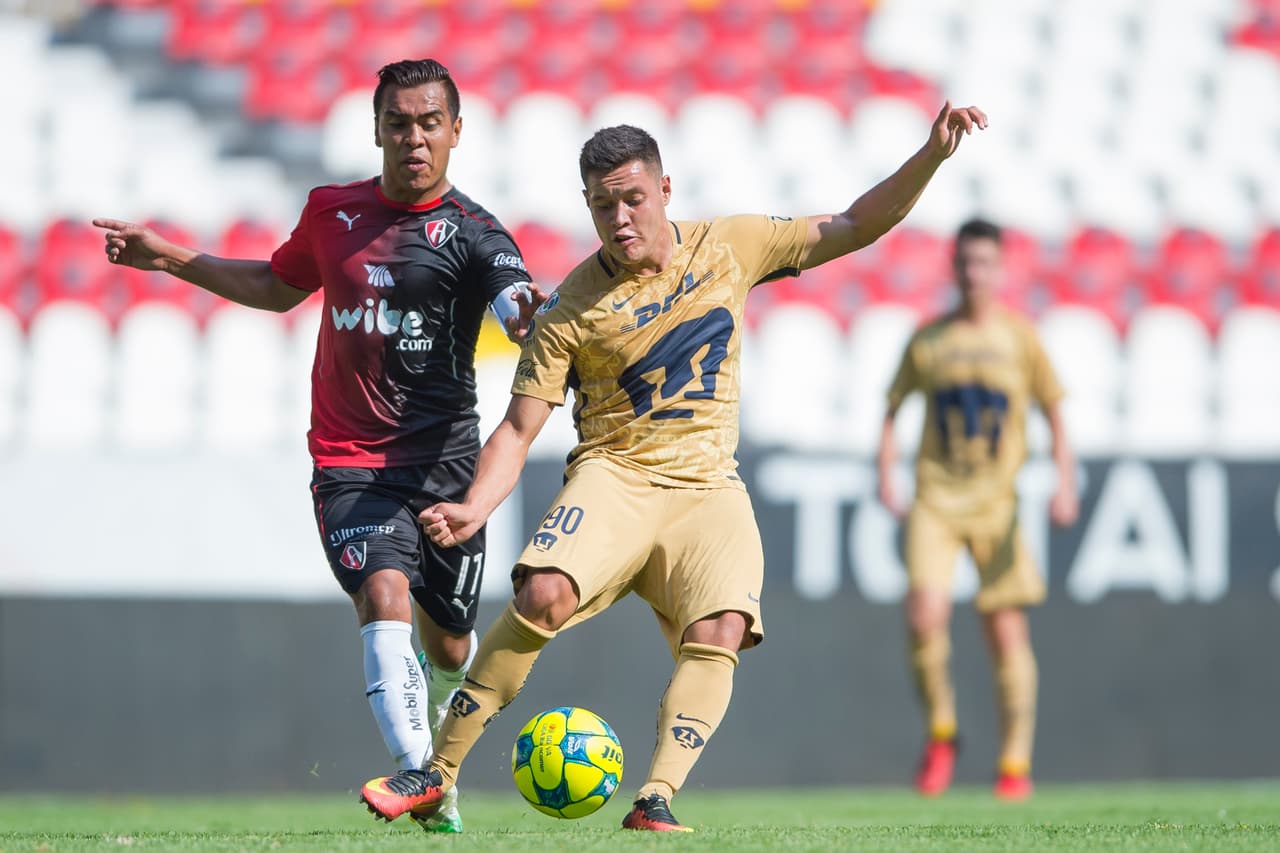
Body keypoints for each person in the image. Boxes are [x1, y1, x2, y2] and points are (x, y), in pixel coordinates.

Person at [357, 102, 987, 832]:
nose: (619, 218)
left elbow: (851, 225)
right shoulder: (568, 311)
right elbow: (519, 427)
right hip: (615, 476)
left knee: (721, 626)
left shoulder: (732, 246)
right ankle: (434, 774)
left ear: (664, 189)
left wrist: (931, 157)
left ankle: (655, 797)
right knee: (544, 594)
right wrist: (474, 507)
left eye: (631, 198)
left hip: (708, 486)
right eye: (602, 205)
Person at [93, 59, 544, 834]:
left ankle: (435, 725)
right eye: (398, 123)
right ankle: (424, 775)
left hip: (447, 471)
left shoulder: (474, 232)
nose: (413, 137)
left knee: (450, 643)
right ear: (375, 129)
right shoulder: (331, 212)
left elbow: (514, 295)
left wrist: (524, 310)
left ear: (456, 132)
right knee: (383, 594)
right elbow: (276, 285)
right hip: (351, 462)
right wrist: (166, 255)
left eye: (429, 123)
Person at [876, 217, 1079, 801]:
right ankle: (943, 733)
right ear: (954, 266)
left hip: (998, 503)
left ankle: (1015, 765)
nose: (974, 274)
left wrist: (1065, 484)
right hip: (937, 498)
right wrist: (886, 474)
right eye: (965, 263)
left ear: (1000, 268)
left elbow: (1054, 410)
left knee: (1005, 632)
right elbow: (892, 408)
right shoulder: (929, 339)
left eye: (984, 263)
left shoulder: (1020, 337)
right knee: (923, 617)